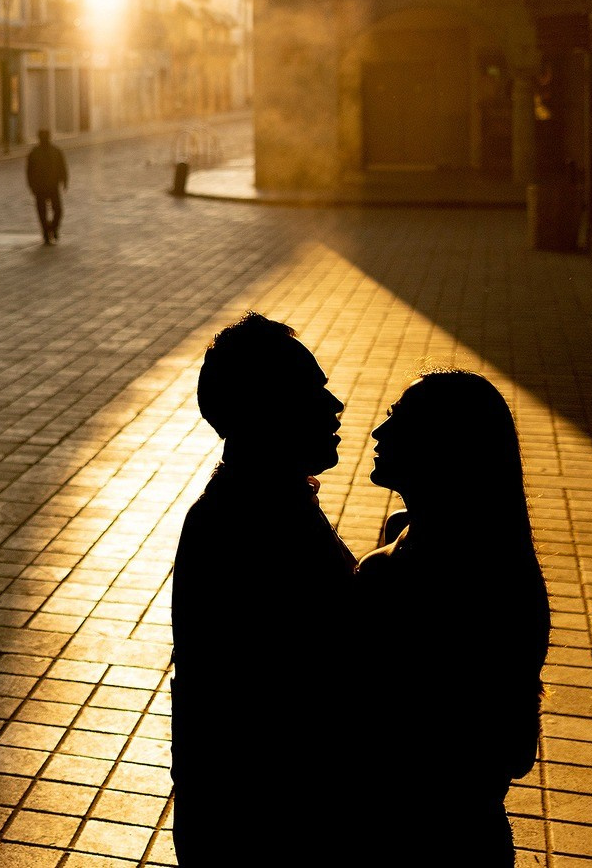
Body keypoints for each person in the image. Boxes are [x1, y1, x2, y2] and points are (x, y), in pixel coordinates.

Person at [172, 313, 352, 867]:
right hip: (264, 826)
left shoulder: (270, 502)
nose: (335, 405)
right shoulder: (253, 525)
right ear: (265, 413)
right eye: (310, 391)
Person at [355, 372, 550, 865]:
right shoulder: (498, 553)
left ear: (443, 448)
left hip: (416, 836)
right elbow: (516, 749)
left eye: (398, 423)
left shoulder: (407, 573)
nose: (378, 435)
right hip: (472, 827)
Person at [25, 129, 68, 243]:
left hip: (53, 186)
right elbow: (30, 172)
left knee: (57, 210)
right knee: (42, 212)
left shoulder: (56, 151)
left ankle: (52, 228)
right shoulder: (34, 153)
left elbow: (62, 167)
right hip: (40, 187)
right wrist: (32, 186)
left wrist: (64, 180)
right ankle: (46, 233)